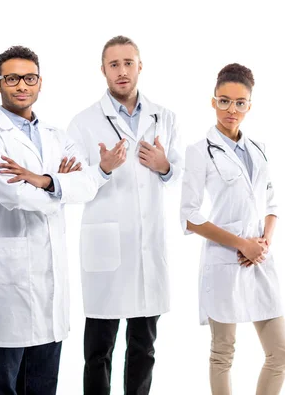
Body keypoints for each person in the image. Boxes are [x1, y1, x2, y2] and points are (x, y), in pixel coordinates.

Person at [0, 45, 127, 395]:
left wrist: (43, 179)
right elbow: (15, 196)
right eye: (12, 78)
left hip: (50, 288)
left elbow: (86, 186)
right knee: (2, 387)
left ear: (40, 82)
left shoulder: (57, 135)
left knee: (43, 388)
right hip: (6, 287)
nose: (21, 85)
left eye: (29, 78)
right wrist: (62, 187)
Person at [67, 35, 184, 395]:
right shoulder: (83, 123)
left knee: (143, 347)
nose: (122, 71)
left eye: (128, 63)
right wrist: (101, 168)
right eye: (114, 64)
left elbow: (178, 174)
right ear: (102, 70)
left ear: (140, 66)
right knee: (99, 351)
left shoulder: (164, 117)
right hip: (106, 248)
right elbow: (72, 186)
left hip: (147, 246)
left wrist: (165, 166)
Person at [180, 63, 285, 394]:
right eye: (225, 101)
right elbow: (188, 215)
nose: (232, 109)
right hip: (225, 262)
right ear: (213, 101)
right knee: (223, 354)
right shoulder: (199, 151)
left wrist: (262, 244)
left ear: (249, 106)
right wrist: (241, 244)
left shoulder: (258, 150)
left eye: (240, 102)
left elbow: (272, 204)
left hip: (260, 259)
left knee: (281, 353)